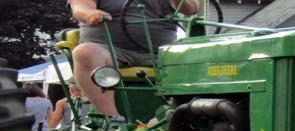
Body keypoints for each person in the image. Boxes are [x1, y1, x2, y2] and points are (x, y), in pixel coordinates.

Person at [69, 0, 201, 122]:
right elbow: (80, 8)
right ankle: (112, 120)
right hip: (109, 49)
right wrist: (90, 14)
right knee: (84, 53)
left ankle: (180, 117)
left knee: (203, 58)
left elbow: (190, 8)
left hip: (159, 51)